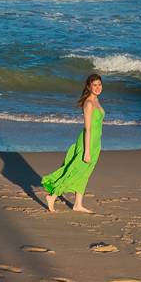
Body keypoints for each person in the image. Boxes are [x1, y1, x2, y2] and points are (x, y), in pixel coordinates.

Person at [41, 74, 104, 213]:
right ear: (89, 87)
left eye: (99, 84)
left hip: (95, 144)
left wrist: (94, 147)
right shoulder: (88, 103)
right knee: (74, 172)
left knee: (85, 174)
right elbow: (88, 129)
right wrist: (86, 151)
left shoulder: (97, 101)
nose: (98, 87)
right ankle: (52, 196)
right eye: (95, 85)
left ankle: (78, 205)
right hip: (86, 143)